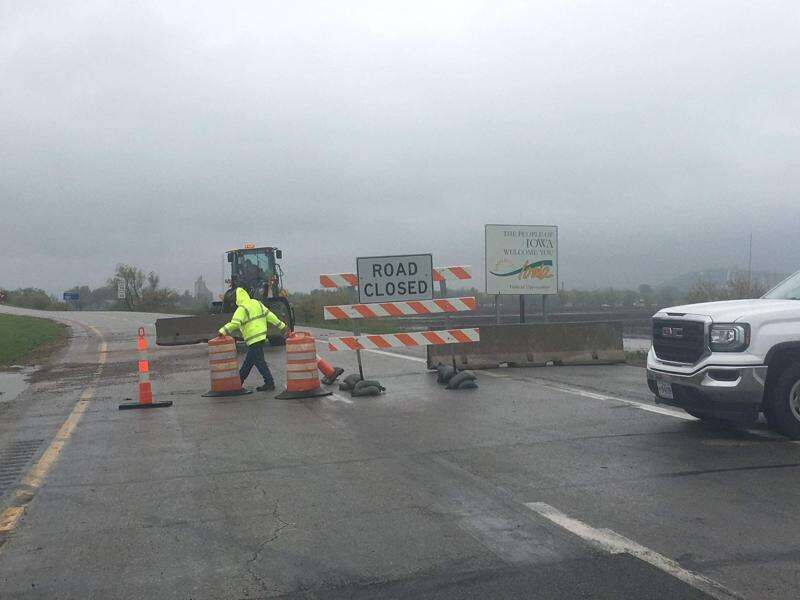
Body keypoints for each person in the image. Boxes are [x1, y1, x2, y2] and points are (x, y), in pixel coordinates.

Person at [217, 287, 287, 391]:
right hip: (261, 337)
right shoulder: (257, 303)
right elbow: (270, 315)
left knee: (259, 362)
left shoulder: (242, 309)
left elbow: (235, 323)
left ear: (237, 299)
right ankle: (239, 382)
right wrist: (282, 326)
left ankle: (269, 383)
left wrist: (223, 331)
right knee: (249, 362)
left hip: (253, 338)